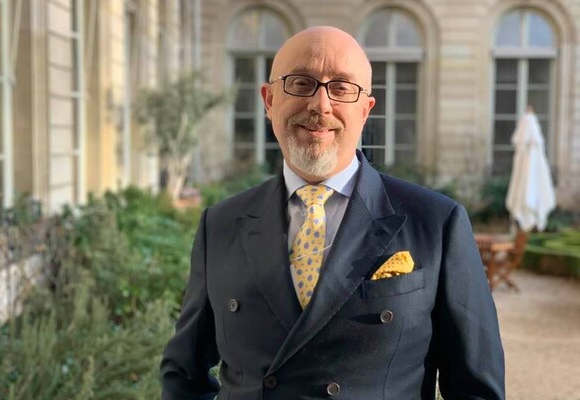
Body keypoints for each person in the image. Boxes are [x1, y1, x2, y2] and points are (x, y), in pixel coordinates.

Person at [160, 26, 505, 399]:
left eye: (341, 88)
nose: (320, 105)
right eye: (301, 83)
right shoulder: (221, 225)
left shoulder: (436, 223)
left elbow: (476, 390)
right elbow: (184, 373)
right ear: (269, 100)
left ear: (365, 110)